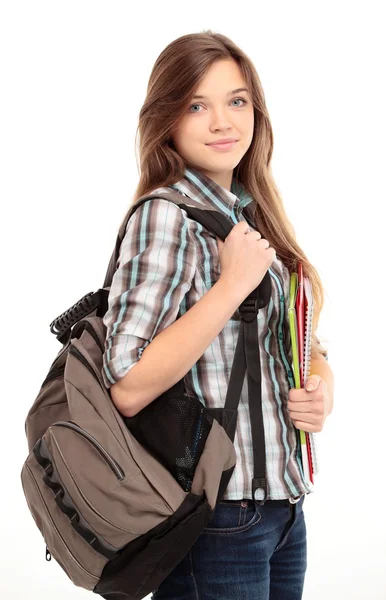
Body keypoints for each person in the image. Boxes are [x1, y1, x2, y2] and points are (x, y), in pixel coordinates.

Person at [102, 30, 334, 600]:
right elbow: (127, 384)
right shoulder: (166, 217)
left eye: (236, 100)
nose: (221, 121)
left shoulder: (249, 219)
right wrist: (231, 285)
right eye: (196, 105)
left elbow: (300, 344)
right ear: (168, 120)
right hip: (218, 520)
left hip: (282, 511)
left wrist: (321, 386)